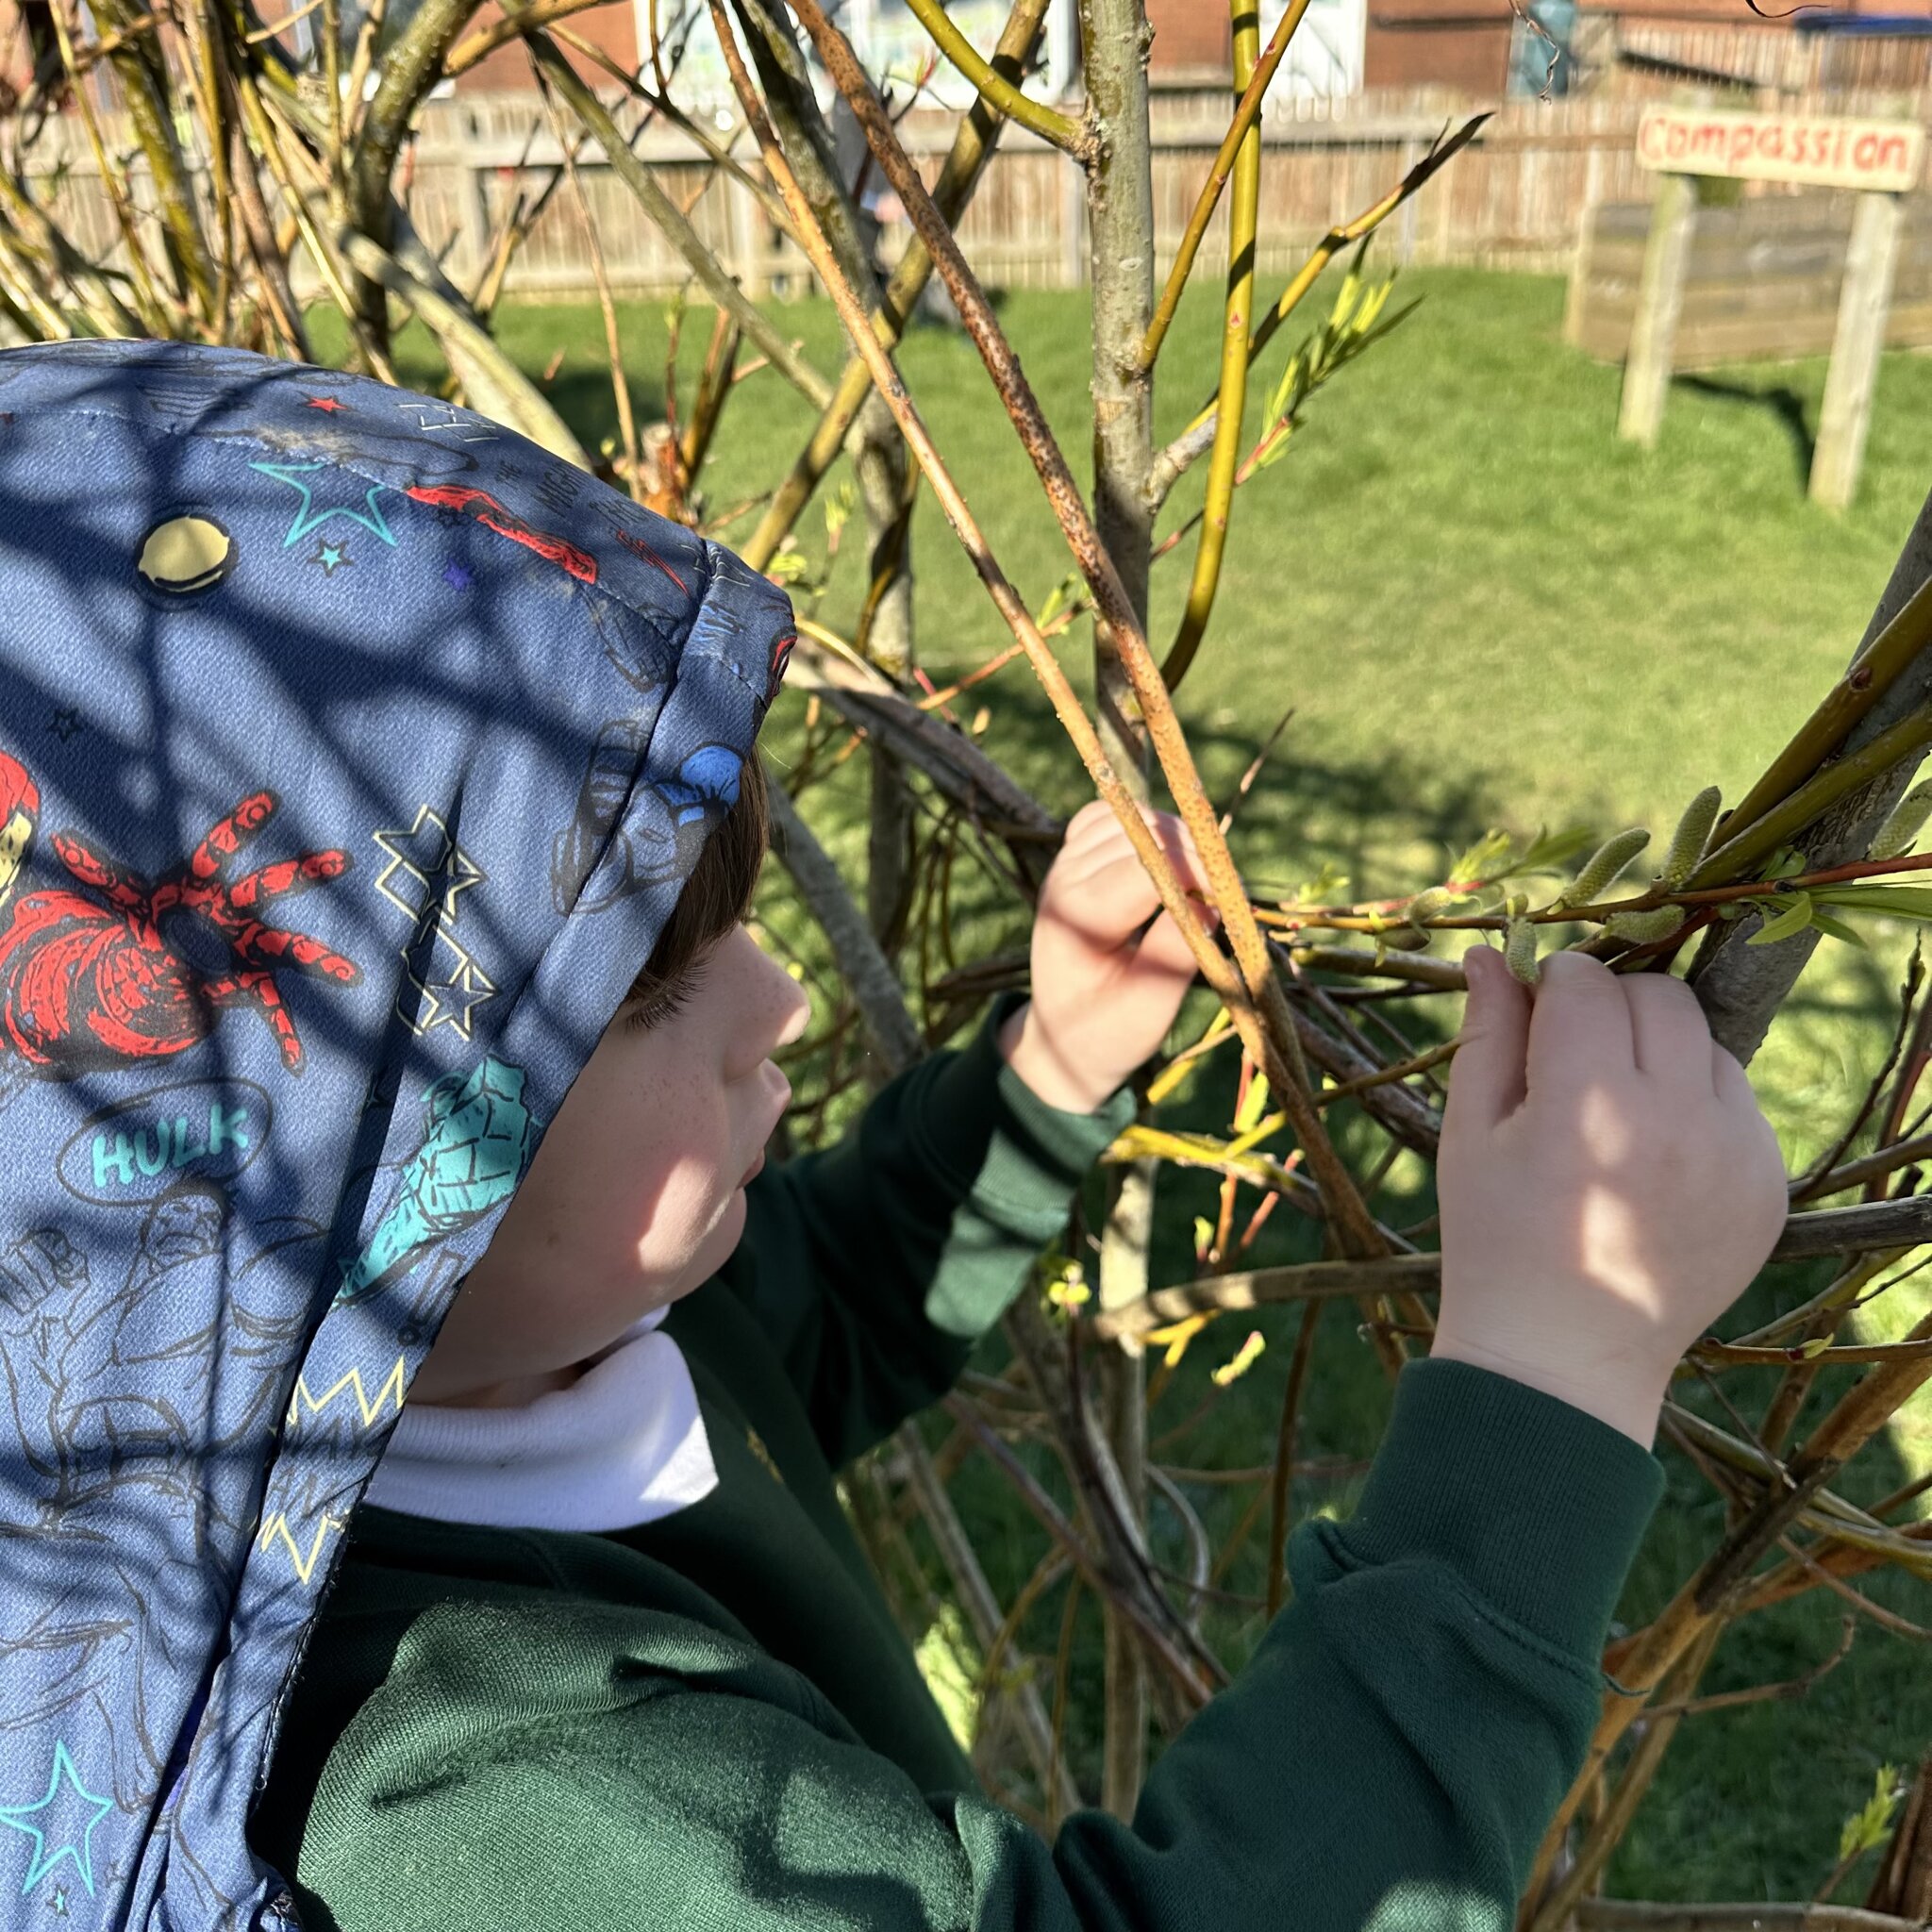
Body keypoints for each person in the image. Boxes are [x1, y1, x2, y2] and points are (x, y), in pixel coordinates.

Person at [0, 340, 1790, 1932]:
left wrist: (1045, 1080)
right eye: (640, 993)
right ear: (297, 1203)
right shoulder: (469, 1815)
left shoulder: (501, 1344)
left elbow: (825, 1314)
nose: (779, 1002)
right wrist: (1551, 1379)